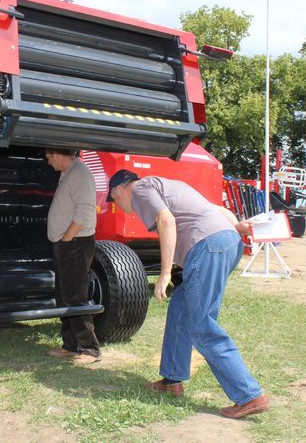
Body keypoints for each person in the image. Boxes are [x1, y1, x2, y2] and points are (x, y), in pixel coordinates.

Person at [107, 169, 268, 419]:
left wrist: (164, 274)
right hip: (225, 241)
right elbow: (217, 210)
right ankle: (172, 380)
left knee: (201, 324)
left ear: (119, 189)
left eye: (114, 199)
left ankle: (249, 395)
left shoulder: (140, 189)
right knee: (180, 309)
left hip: (208, 247)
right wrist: (236, 227)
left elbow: (166, 221)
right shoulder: (169, 185)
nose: (118, 204)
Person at [44, 148, 100, 365]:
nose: (48, 162)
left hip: (75, 243)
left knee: (75, 297)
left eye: (49, 157)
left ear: (57, 153)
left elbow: (85, 213)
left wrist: (67, 239)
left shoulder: (80, 173)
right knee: (64, 296)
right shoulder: (68, 173)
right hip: (68, 243)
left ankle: (89, 349)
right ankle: (70, 345)